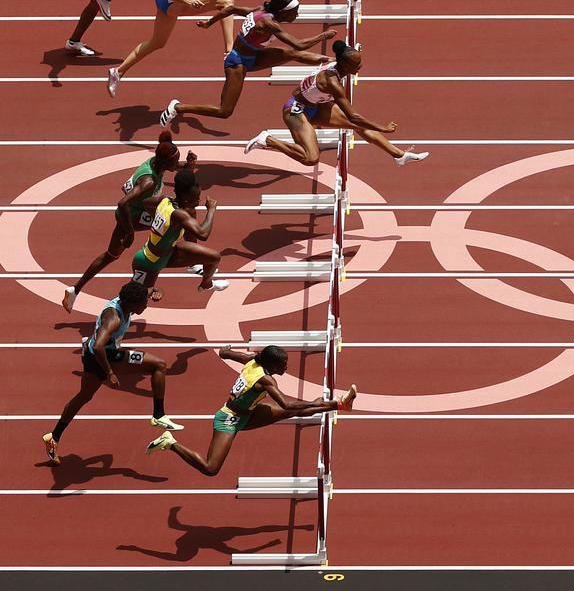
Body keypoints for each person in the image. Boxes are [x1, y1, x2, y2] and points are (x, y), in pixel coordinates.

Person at [148, 345, 357, 475]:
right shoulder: (265, 380)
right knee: (210, 468)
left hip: (248, 412)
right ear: (272, 365)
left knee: (297, 411)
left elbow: (236, 355)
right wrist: (312, 403)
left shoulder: (254, 362)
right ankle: (170, 442)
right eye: (283, 364)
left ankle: (340, 404)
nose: (286, 367)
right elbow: (286, 403)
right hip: (228, 419)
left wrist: (225, 352)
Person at [42, 281, 183, 466]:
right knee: (159, 365)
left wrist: (158, 291)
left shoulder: (130, 298)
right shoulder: (114, 318)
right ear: (133, 304)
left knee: (83, 396)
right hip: (105, 356)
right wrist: (110, 373)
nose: (146, 306)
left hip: (92, 355)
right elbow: (100, 345)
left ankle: (53, 436)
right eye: (144, 304)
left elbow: (152, 289)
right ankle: (158, 415)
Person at [63, 131, 195, 313]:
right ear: (165, 163)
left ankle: (74, 290)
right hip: (130, 216)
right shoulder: (148, 182)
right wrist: (130, 231)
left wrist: (187, 166)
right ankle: (192, 262)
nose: (177, 164)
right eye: (176, 161)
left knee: (111, 255)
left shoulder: (156, 164)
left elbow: (172, 167)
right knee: (176, 217)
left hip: (140, 210)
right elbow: (122, 203)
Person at [160, 0, 337, 125]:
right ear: (283, 13)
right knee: (224, 111)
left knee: (291, 55)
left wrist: (209, 23)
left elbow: (230, 9)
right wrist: (324, 35)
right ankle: (178, 107)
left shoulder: (261, 10)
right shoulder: (269, 23)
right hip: (237, 62)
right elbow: (299, 44)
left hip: (255, 55)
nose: (297, 15)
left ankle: (332, 63)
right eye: (295, 12)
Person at [244, 41, 428, 166]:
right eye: (357, 63)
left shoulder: (337, 62)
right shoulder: (333, 84)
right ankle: (267, 140)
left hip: (315, 106)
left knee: (358, 126)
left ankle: (399, 156)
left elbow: (345, 55)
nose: (361, 66)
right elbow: (353, 115)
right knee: (311, 158)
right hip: (296, 111)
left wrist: (354, 49)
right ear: (346, 66)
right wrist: (383, 128)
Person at [130, 168, 229, 297]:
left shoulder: (164, 200)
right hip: (149, 261)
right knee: (136, 300)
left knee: (214, 258)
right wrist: (211, 210)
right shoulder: (179, 215)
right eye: (196, 198)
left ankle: (206, 284)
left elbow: (146, 203)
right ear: (186, 199)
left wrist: (159, 219)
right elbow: (203, 234)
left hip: (170, 253)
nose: (198, 201)